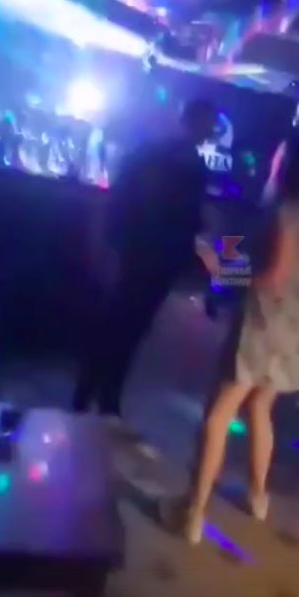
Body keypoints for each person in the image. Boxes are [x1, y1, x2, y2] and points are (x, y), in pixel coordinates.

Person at [164, 137, 299, 544]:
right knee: (260, 408)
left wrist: (220, 270)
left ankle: (192, 513)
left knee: (218, 415)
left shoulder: (284, 211)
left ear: (289, 166)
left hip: (262, 324)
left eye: (279, 154)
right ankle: (258, 498)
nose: (273, 159)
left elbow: (272, 275)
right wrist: (234, 260)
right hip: (295, 326)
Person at [72, 97, 218, 423]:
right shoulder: (190, 165)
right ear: (197, 122)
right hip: (158, 256)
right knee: (131, 327)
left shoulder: (151, 152)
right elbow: (185, 216)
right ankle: (106, 396)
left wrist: (109, 241)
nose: (210, 131)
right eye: (209, 124)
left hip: (137, 249)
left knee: (115, 321)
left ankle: (88, 392)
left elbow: (121, 197)